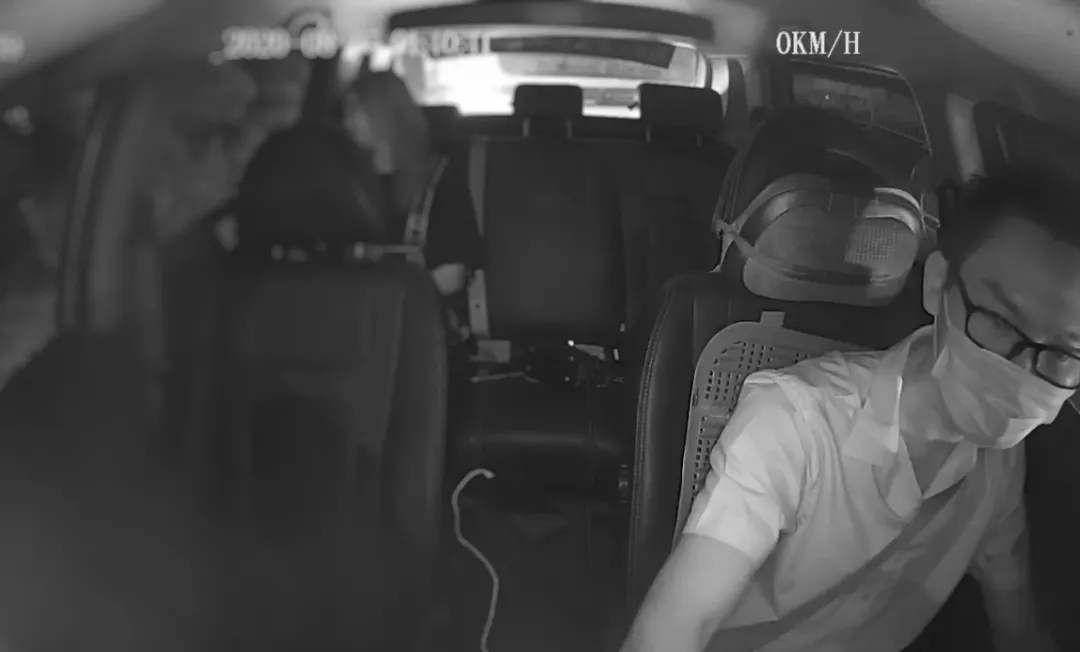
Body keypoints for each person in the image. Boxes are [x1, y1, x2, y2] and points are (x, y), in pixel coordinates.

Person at [621, 165, 1077, 652]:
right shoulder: (796, 421)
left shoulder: (999, 464)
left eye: (1064, 352)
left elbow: (1017, 630)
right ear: (938, 284)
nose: (1021, 371)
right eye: (1000, 322)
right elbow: (674, 626)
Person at [341, 69, 484, 300]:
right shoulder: (347, 179)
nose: (346, 120)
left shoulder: (439, 177)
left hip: (417, 312)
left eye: (355, 109)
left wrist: (400, 300)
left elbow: (454, 272)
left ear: (383, 111)